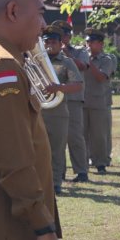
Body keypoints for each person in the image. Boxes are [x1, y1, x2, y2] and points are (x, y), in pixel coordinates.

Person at [0, 0, 65, 240]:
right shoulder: (3, 67)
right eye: (39, 14)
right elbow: (14, 159)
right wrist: (44, 229)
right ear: (12, 11)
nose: (43, 25)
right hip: (6, 236)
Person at [41, 25, 83, 194]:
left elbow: (77, 85)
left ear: (60, 43)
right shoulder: (35, 61)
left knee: (57, 150)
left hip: (57, 112)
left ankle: (56, 182)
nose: (50, 44)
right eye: (47, 41)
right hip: (37, 110)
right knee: (37, 149)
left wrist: (58, 87)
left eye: (53, 41)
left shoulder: (67, 62)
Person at [52, 20, 91, 183]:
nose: (64, 37)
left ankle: (81, 171)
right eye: (61, 35)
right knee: (57, 137)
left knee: (75, 136)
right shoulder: (50, 54)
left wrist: (66, 53)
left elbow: (83, 66)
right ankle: (58, 172)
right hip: (55, 99)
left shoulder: (80, 51)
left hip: (73, 99)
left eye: (66, 34)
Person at [83, 28, 114, 175]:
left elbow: (101, 77)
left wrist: (88, 62)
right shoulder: (81, 57)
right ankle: (83, 162)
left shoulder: (106, 59)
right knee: (82, 134)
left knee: (99, 135)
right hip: (82, 101)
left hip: (99, 102)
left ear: (100, 44)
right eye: (87, 41)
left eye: (92, 42)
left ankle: (101, 162)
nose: (88, 44)